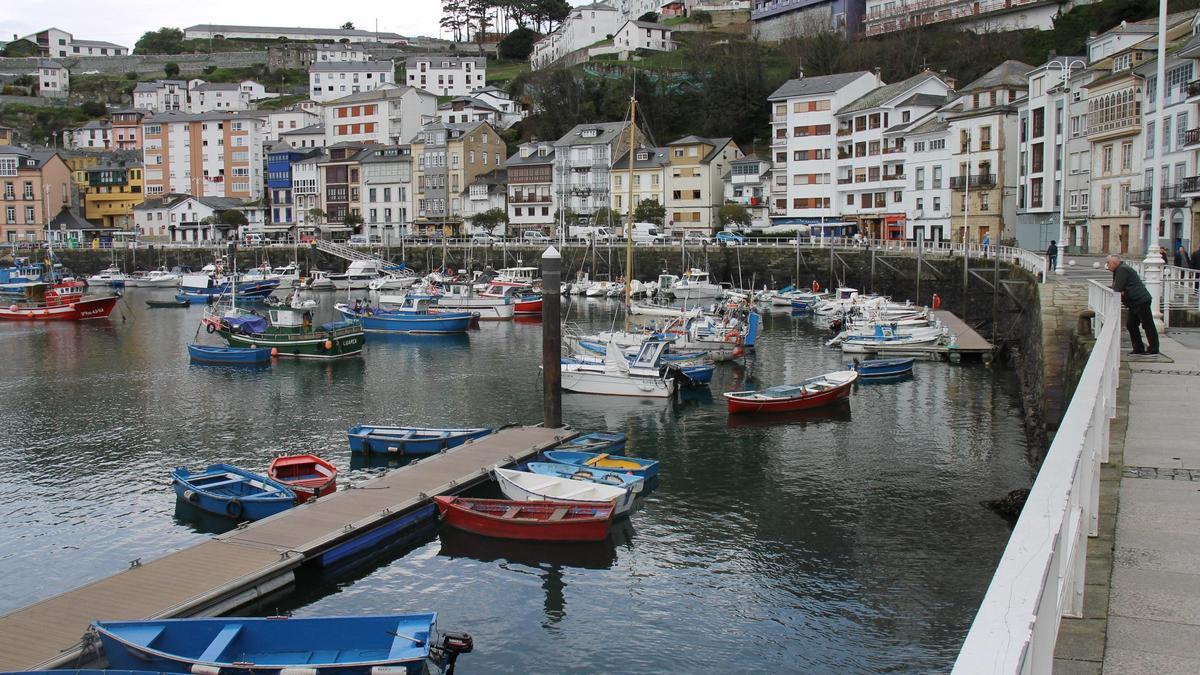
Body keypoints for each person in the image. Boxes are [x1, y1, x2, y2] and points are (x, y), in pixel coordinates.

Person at [1106, 254, 1160, 355]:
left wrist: (1119, 289)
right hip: (1134, 302)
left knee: (1147, 325)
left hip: (1140, 300)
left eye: (1108, 263)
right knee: (1131, 325)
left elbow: (1117, 287)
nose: (1107, 265)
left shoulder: (1122, 270)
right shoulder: (1120, 268)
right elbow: (1118, 287)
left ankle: (1153, 348)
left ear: (1114, 263)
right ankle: (1138, 348)